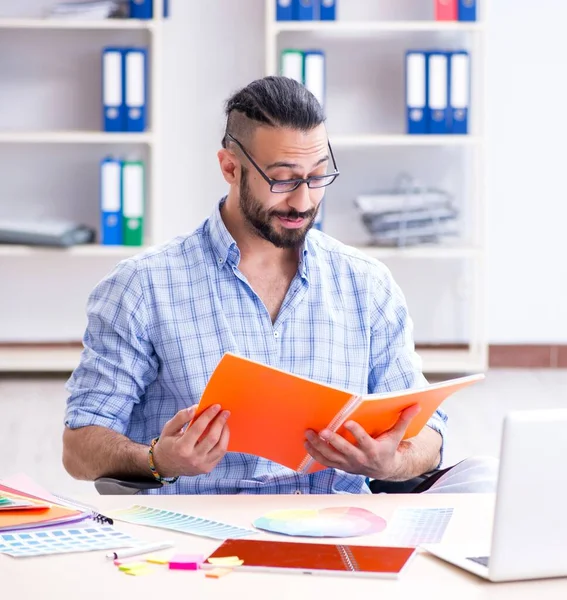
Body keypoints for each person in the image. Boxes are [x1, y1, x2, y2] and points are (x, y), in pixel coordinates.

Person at [63, 76, 497, 495]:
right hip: (200, 533)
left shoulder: (366, 283)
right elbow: (79, 447)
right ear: (230, 168)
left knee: (486, 478)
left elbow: (429, 433)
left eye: (317, 176)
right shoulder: (142, 287)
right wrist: (159, 459)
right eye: (284, 179)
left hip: (337, 527)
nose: (303, 200)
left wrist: (392, 462)